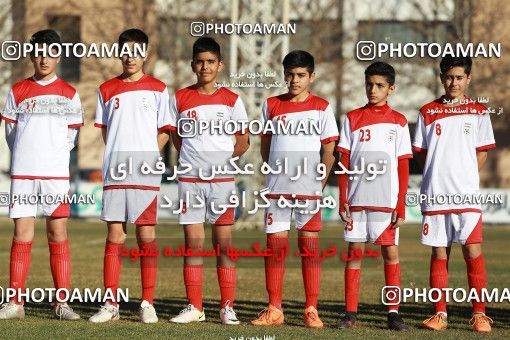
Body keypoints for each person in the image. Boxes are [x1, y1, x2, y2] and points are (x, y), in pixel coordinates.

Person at [88, 28, 172, 324]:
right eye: (125, 51)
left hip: (145, 172)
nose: (130, 57)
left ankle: (147, 302)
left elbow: (165, 130)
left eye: (137, 51)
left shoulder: (160, 89)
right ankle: (110, 304)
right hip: (116, 171)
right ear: (119, 53)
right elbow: (105, 130)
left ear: (145, 54)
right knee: (115, 235)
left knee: (146, 235)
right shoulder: (106, 89)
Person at [251, 50, 338, 328]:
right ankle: (274, 308)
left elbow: (329, 151)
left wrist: (318, 183)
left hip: (309, 192)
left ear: (311, 77)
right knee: (274, 248)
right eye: (289, 74)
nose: (294, 80)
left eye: (301, 75)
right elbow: (266, 146)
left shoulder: (322, 107)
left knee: (309, 249)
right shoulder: (272, 105)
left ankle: (311, 308)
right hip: (277, 191)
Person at [0, 29, 83, 320]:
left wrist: (52, 155)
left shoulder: (70, 94)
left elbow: (72, 136)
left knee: (57, 233)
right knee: (22, 234)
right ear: (32, 56)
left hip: (55, 176)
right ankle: (16, 303)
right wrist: (26, 154)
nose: (44, 58)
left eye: (50, 53)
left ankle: (62, 304)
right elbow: (11, 133)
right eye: (39, 53)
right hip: (23, 173)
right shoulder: (17, 91)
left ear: (58, 56)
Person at [168, 37, 249, 325]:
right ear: (193, 65)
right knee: (193, 243)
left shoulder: (232, 100)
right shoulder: (179, 98)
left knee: (223, 244)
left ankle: (227, 307)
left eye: (210, 62)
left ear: (220, 65)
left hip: (223, 182)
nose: (205, 66)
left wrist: (223, 161)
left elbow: (243, 140)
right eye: (200, 62)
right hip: (190, 180)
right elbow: (176, 137)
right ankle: (195, 307)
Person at [414, 56, 495, 333]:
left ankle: (480, 314)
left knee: (472, 250)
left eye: (459, 77)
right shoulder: (426, 112)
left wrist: (465, 176)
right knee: (439, 252)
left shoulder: (479, 112)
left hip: (466, 195)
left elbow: (481, 153)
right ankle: (439, 315)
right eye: (449, 77)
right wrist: (437, 177)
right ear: (441, 78)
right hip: (435, 194)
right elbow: (422, 156)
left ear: (468, 79)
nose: (454, 83)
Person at [337, 61, 411, 330]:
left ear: (391, 88)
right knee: (354, 252)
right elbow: (343, 161)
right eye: (369, 84)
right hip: (357, 200)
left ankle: (393, 313)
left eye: (379, 85)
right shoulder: (352, 118)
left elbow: (403, 165)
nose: (373, 89)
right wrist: (343, 198)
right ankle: (350, 314)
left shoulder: (399, 122)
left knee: (390, 253)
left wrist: (400, 204)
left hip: (385, 201)